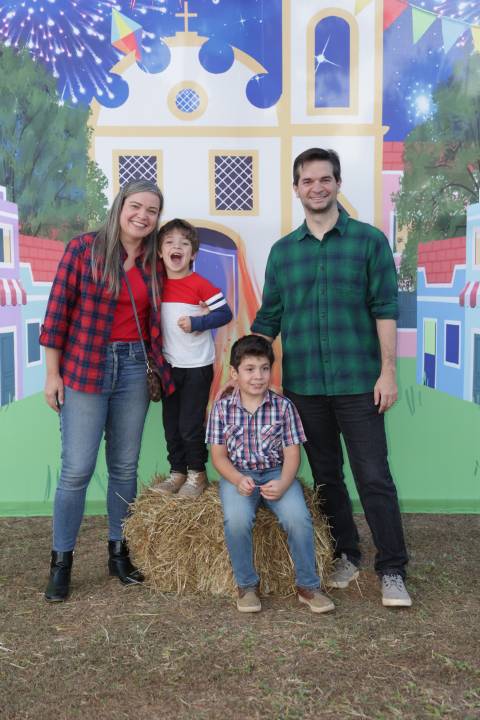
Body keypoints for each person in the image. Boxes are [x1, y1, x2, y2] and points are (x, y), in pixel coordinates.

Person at [251, 148, 412, 608]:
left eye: (325, 179)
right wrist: (243, 370)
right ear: (296, 188)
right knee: (326, 476)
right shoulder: (283, 253)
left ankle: (393, 569)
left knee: (374, 476)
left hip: (360, 383)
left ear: (338, 183)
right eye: (308, 181)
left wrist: (388, 372)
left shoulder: (368, 242)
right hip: (304, 388)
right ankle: (346, 553)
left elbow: (385, 309)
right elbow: (269, 318)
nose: (316, 187)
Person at [40, 179, 175, 602]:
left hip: (135, 367)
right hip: (85, 365)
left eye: (152, 210)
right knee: (77, 470)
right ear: (120, 206)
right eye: (136, 206)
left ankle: (120, 553)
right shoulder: (83, 249)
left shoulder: (155, 260)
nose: (143, 216)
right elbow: (56, 314)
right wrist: (52, 374)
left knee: (124, 467)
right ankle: (61, 563)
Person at [206, 335, 334, 614]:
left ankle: (308, 586)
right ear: (234, 373)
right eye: (250, 369)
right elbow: (218, 457)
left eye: (265, 368)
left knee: (298, 518)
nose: (258, 376)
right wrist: (237, 479)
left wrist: (284, 482)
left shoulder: (283, 407)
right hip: (239, 474)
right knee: (237, 520)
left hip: (276, 472)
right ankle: (247, 586)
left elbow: (292, 454)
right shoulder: (222, 409)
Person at [153, 219, 232, 498]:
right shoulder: (156, 285)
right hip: (168, 367)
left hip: (197, 367)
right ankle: (177, 473)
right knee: (171, 425)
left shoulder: (200, 284)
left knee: (190, 425)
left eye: (184, 243)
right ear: (160, 252)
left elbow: (225, 313)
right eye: (169, 242)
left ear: (193, 254)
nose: (177, 247)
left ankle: (197, 474)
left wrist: (198, 322)